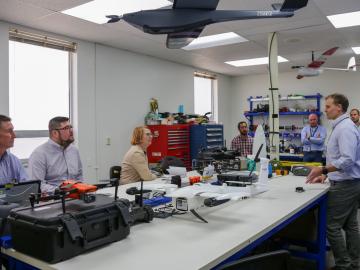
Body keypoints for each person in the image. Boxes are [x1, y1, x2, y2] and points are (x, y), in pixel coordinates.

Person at [306, 94, 360, 270]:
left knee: (332, 226)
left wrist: (323, 170)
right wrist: (328, 176)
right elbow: (340, 159)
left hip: (346, 186)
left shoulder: (344, 128)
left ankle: (343, 265)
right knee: (351, 226)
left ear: (339, 108)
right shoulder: (341, 126)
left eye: (328, 106)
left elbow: (347, 160)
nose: (325, 109)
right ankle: (353, 263)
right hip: (348, 182)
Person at [28, 117, 83, 193]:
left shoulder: (74, 150)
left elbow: (79, 176)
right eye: (66, 128)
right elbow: (36, 185)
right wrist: (59, 190)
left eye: (71, 127)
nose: (71, 131)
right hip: (53, 199)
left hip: (75, 196)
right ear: (55, 133)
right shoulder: (39, 154)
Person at [0, 115, 28, 184]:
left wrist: (10, 187)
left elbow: (24, 186)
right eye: (9, 131)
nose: (14, 136)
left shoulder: (13, 160)